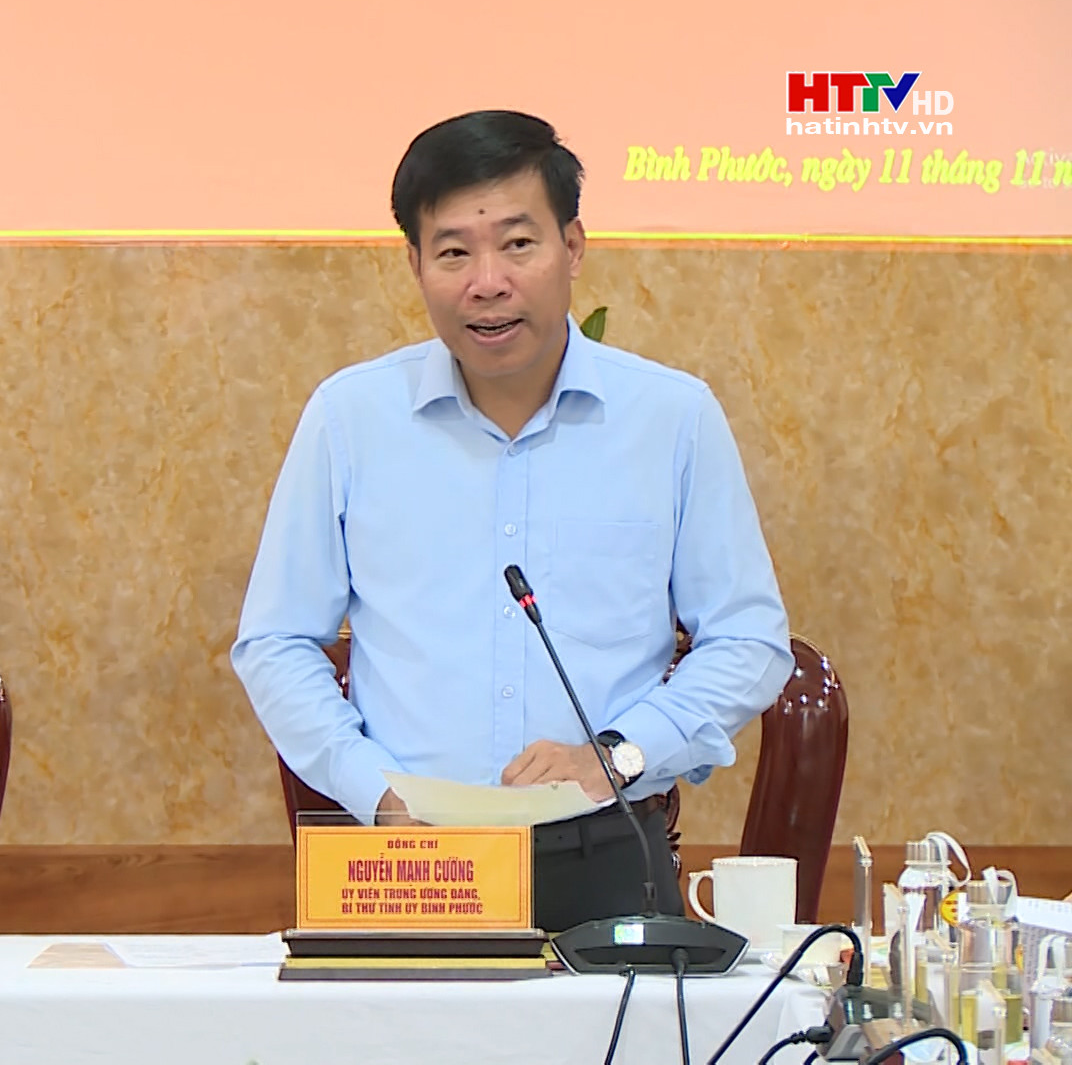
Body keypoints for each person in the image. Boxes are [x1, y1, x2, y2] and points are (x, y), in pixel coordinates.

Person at [231, 110, 791, 932]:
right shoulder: (351, 419)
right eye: (454, 252)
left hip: (605, 853)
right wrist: (375, 791)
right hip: (410, 862)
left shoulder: (671, 418)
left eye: (518, 244)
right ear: (415, 264)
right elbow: (274, 642)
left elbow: (749, 642)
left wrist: (617, 756)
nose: (486, 282)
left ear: (574, 247)